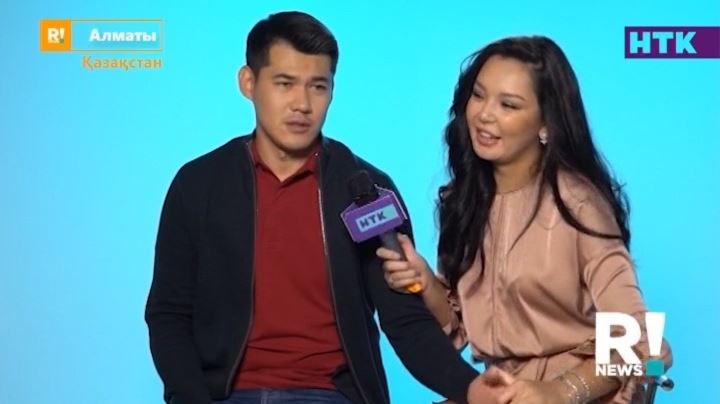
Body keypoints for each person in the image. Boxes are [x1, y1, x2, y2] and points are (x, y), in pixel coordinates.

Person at [145, 10, 500, 404]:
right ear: (248, 83)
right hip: (226, 395)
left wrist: (469, 387)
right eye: (284, 84)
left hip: (330, 393)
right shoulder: (199, 184)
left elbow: (405, 321)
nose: (302, 104)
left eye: (318, 86)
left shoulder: (368, 191)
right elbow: (169, 314)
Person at [377, 36, 672, 404]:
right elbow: (459, 330)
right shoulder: (462, 201)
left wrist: (560, 391)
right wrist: (425, 283)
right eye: (478, 95)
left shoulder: (578, 204)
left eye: (508, 105)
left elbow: (642, 344)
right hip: (502, 392)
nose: (484, 115)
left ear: (546, 123)